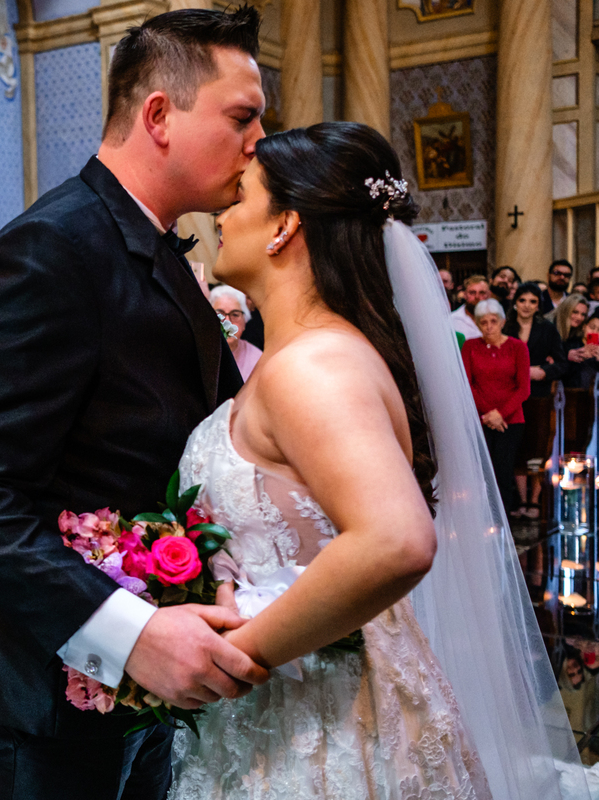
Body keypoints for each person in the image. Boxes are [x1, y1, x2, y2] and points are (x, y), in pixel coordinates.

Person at [171, 122, 580, 798]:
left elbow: (396, 540)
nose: (222, 213)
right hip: (303, 705)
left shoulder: (315, 366)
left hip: (322, 724)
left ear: (285, 226)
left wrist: (238, 654)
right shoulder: (316, 355)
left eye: (240, 196)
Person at [0, 9, 267, 799]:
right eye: (242, 118)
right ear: (159, 117)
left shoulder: (156, 247)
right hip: (37, 691)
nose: (257, 145)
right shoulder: (51, 251)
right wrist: (130, 631)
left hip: (141, 685)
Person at [463, 298, 531, 518]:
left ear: (502, 322)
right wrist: (487, 414)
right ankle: (481, 518)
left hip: (510, 420)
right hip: (480, 419)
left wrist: (499, 414)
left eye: (493, 321)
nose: (489, 326)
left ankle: (502, 520)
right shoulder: (470, 346)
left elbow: (524, 389)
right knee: (480, 470)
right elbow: (466, 384)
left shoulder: (517, 347)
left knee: (503, 470)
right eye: (484, 322)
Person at [505, 282, 567, 519]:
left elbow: (562, 363)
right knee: (517, 445)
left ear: (538, 305)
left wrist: (543, 371)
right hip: (511, 393)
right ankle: (521, 499)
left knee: (538, 444)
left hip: (539, 393)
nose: (527, 306)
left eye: (532, 301)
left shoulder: (547, 328)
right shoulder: (506, 326)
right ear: (515, 302)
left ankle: (534, 500)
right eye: (523, 300)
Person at [209, 284, 261, 378]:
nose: (228, 322)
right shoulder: (196, 352)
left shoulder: (257, 359)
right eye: (220, 314)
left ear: (244, 322)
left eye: (235, 315)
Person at [449, 274, 489, 341]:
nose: (477, 297)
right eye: (472, 293)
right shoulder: (452, 320)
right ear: (465, 295)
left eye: (482, 293)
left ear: (488, 295)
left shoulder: (497, 319)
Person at [565, 311, 599, 389]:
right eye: (592, 327)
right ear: (584, 327)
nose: (595, 332)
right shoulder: (570, 345)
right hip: (572, 392)